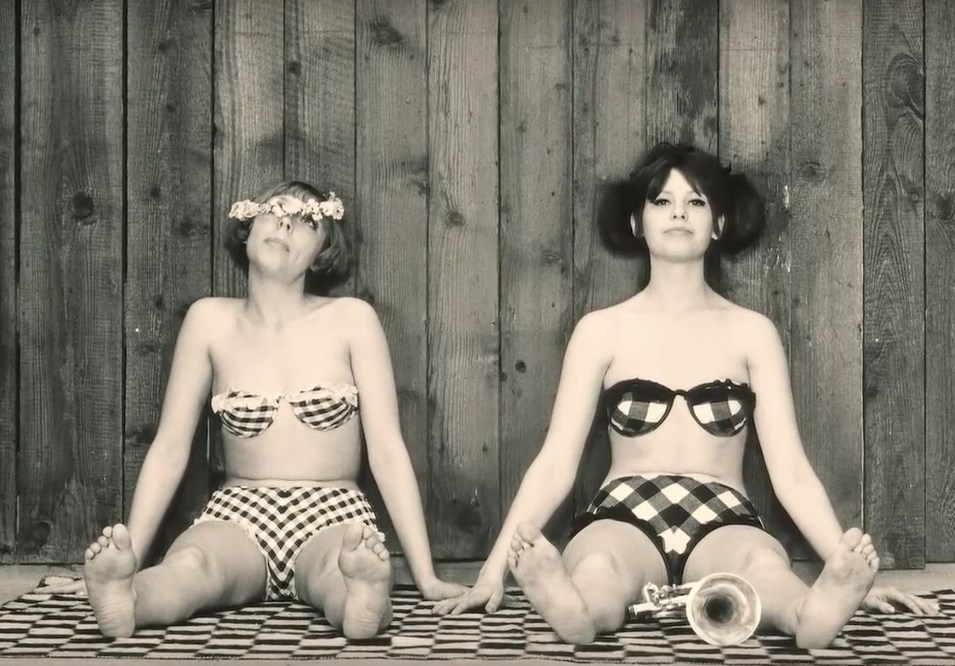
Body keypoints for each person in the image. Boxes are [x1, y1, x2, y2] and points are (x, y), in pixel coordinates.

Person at [433, 143, 937, 647]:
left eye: (696, 202)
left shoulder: (752, 333)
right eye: (662, 201)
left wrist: (836, 560)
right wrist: (492, 572)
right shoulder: (601, 331)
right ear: (637, 222)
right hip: (623, 510)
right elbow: (554, 464)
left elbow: (792, 472)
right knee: (600, 568)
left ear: (718, 224)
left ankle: (813, 611)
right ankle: (576, 610)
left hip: (723, 513)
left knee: (762, 567)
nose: (678, 212)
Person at [83, 181, 464, 639]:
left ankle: (361, 601)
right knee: (192, 564)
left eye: (307, 221)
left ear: (322, 252)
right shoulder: (208, 321)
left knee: (338, 572)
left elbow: (387, 452)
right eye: (275, 210)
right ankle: (128, 598)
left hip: (332, 511)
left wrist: (426, 576)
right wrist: (134, 553)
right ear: (247, 226)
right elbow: (169, 450)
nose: (285, 223)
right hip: (237, 513)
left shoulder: (352, 320)